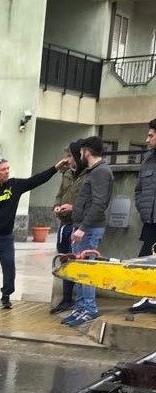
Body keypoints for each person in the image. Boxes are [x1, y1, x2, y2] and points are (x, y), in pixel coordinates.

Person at [0, 155, 70, 309]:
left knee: (9, 267)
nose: (7, 172)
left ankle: (6, 295)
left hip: (5, 238)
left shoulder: (14, 186)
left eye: (8, 169)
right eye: (3, 170)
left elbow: (35, 180)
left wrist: (55, 168)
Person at [62, 136, 113, 327]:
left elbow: (99, 203)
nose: (80, 155)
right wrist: (73, 208)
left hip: (89, 230)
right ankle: (81, 307)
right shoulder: (93, 171)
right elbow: (89, 201)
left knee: (87, 272)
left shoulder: (100, 172)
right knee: (80, 271)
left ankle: (89, 309)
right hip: (83, 227)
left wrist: (82, 229)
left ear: (87, 151)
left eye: (81, 151)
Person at [50, 140, 85, 314]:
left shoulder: (87, 175)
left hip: (78, 224)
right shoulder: (67, 174)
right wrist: (57, 206)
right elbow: (59, 194)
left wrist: (73, 208)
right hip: (64, 223)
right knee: (64, 258)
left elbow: (92, 201)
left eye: (70, 156)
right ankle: (65, 299)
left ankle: (77, 301)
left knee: (78, 262)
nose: (67, 159)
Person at [129, 120, 156, 314]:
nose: (147, 140)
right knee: (144, 259)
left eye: (151, 135)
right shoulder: (147, 159)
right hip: (150, 220)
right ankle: (148, 297)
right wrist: (141, 207)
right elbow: (138, 189)